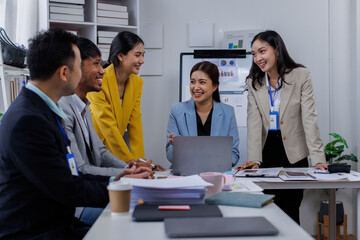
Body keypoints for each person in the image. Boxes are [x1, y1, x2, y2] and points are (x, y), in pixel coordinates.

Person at [0, 28, 152, 239]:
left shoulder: (40, 110)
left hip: (54, 224)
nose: (101, 71)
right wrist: (122, 187)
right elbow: (66, 187)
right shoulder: (29, 121)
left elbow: (68, 176)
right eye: (80, 66)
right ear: (64, 73)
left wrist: (120, 178)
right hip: (36, 233)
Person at [245, 30, 328, 224]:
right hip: (267, 151)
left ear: (276, 49)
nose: (257, 58)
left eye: (262, 51)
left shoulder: (301, 75)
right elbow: (254, 123)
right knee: (268, 208)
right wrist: (254, 160)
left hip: (295, 153)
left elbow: (309, 118)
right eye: (254, 54)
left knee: (291, 208)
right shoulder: (253, 82)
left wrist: (317, 158)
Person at [166, 61, 240, 167]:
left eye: (202, 82)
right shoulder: (176, 110)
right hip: (185, 175)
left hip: (216, 174)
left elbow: (234, 155)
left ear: (214, 86)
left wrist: (211, 166)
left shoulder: (228, 112)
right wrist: (177, 147)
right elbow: (169, 155)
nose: (196, 87)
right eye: (192, 82)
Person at [87, 31, 145, 163]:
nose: (142, 60)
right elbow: (108, 127)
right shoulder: (98, 80)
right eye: (137, 55)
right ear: (120, 56)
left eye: (143, 55)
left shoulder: (137, 83)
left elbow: (135, 125)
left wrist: (141, 161)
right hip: (95, 152)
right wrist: (130, 162)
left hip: (117, 153)